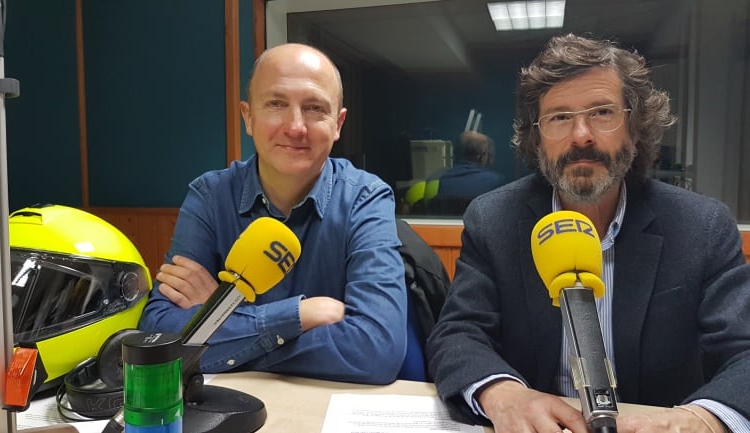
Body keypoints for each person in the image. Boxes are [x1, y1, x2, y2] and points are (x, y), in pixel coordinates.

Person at [426, 33, 750, 433]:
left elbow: (746, 352)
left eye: (601, 112)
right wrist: (502, 393)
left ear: (634, 128)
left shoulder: (701, 227)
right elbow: (458, 333)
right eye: (559, 117)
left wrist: (700, 420)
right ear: (538, 138)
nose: (581, 135)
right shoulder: (495, 220)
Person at [139, 43, 408, 385]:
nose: (295, 126)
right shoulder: (209, 196)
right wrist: (297, 316)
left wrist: (221, 319)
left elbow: (376, 351)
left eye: (314, 108)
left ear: (338, 123)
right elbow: (160, 335)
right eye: (276, 104)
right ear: (248, 117)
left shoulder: (365, 198)